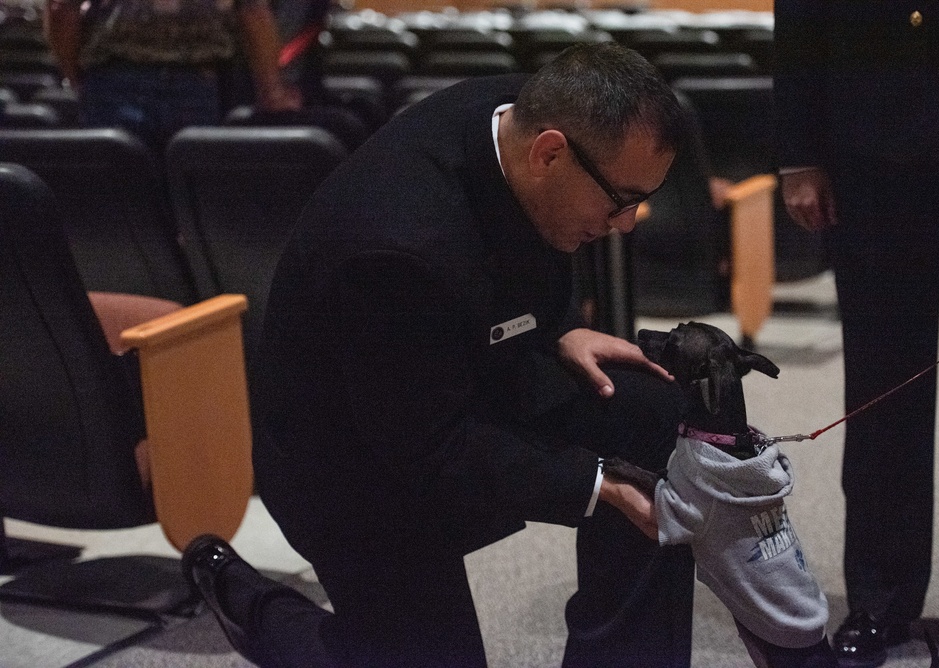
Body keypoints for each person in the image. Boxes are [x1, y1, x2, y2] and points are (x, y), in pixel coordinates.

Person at [189, 42, 694, 668]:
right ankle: (254, 606)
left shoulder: (529, 116)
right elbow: (429, 448)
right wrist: (596, 485)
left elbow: (524, 242)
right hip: (356, 461)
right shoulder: (397, 247)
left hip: (463, 365)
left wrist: (561, 327)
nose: (627, 223)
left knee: (649, 409)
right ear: (549, 153)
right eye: (620, 200)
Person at [773, 2, 939, 667]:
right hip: (867, 160)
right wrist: (798, 155)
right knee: (882, 393)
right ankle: (880, 597)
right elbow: (800, 21)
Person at [44, 0, 300, 154]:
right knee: (187, 212)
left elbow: (61, 9)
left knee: (118, 214)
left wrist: (76, 78)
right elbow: (253, 11)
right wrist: (271, 90)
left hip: (115, 80)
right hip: (197, 81)